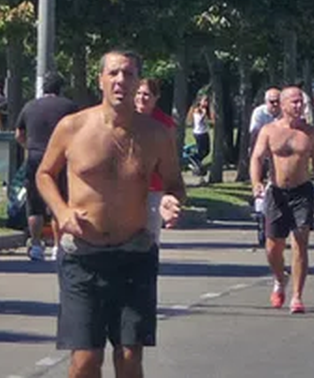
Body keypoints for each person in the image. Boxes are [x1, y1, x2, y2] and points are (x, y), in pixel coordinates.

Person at [36, 50, 185, 378]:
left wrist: (170, 202)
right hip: (82, 257)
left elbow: (174, 184)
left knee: (130, 357)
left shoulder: (156, 135)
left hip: (134, 253)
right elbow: (44, 174)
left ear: (138, 83)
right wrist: (61, 211)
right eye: (114, 73)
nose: (121, 81)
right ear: (100, 80)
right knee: (86, 361)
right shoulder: (73, 127)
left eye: (129, 74)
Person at [251, 86, 314, 313]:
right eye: (294, 102)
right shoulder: (269, 130)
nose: (298, 106)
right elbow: (257, 157)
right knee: (272, 246)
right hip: (276, 192)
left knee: (300, 240)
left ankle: (297, 296)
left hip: (302, 191)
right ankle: (279, 279)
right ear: (283, 105)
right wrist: (256, 183)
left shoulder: (310, 133)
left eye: (301, 102)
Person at [13, 72, 78, 261]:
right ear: (61, 88)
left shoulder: (30, 106)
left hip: (35, 157)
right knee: (58, 201)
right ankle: (58, 246)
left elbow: (19, 133)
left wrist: (29, 146)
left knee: (35, 205)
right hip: (60, 159)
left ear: (43, 88)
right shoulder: (70, 107)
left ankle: (35, 245)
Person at [133, 79, 177, 246]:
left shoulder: (164, 123)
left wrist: (170, 191)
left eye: (146, 94)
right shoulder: (126, 118)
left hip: (154, 187)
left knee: (150, 237)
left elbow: (171, 159)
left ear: (156, 97)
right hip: (127, 186)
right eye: (138, 94)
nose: (141, 98)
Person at [187, 93, 214, 169]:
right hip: (199, 133)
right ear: (200, 101)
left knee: (207, 151)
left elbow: (208, 121)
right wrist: (203, 114)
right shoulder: (197, 110)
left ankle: (197, 162)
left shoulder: (205, 110)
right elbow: (199, 121)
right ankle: (193, 159)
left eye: (207, 101)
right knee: (201, 150)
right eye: (204, 101)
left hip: (205, 132)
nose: (206, 103)